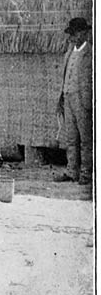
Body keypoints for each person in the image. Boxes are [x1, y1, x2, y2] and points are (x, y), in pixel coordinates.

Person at [54, 17, 93, 185]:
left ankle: (86, 173)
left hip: (82, 99)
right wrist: (62, 96)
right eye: (71, 34)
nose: (72, 38)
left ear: (84, 34)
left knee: (85, 139)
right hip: (68, 96)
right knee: (71, 138)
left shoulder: (90, 53)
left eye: (75, 34)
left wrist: (90, 102)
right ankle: (72, 171)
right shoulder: (70, 51)